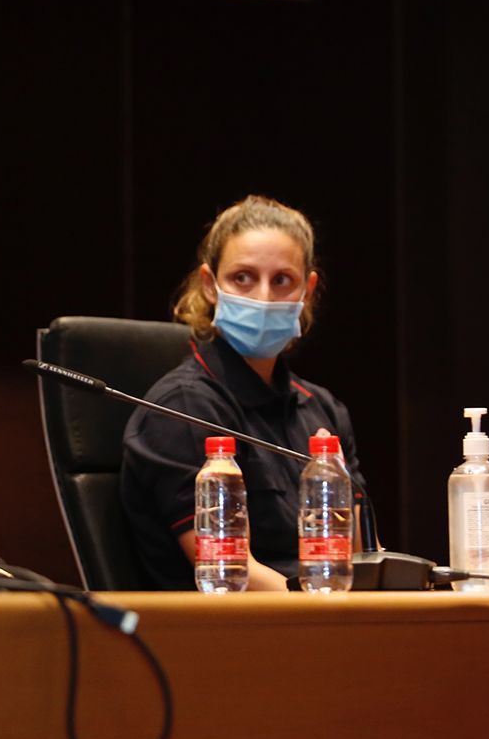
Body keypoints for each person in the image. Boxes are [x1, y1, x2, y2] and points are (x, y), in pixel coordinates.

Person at [120, 195, 365, 590]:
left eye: (282, 280)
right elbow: (232, 573)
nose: (263, 297)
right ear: (210, 286)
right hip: (229, 633)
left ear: (308, 289)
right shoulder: (182, 408)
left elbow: (358, 556)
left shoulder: (324, 409)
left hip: (321, 618)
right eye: (243, 278)